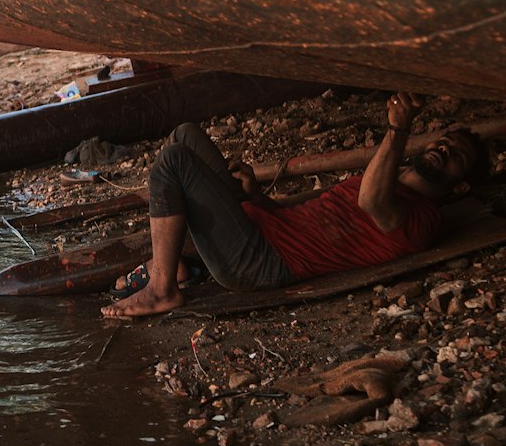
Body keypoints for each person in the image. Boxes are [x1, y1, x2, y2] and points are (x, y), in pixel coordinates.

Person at [101, 93, 488, 320]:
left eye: (455, 155)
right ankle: (173, 262)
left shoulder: (421, 217)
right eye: (442, 142)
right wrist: (256, 196)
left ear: (462, 183)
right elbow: (305, 208)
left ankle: (163, 288)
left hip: (261, 261)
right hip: (260, 229)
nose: (442, 148)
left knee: (173, 163)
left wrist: (398, 128)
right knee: (185, 135)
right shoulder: (385, 182)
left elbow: (372, 200)